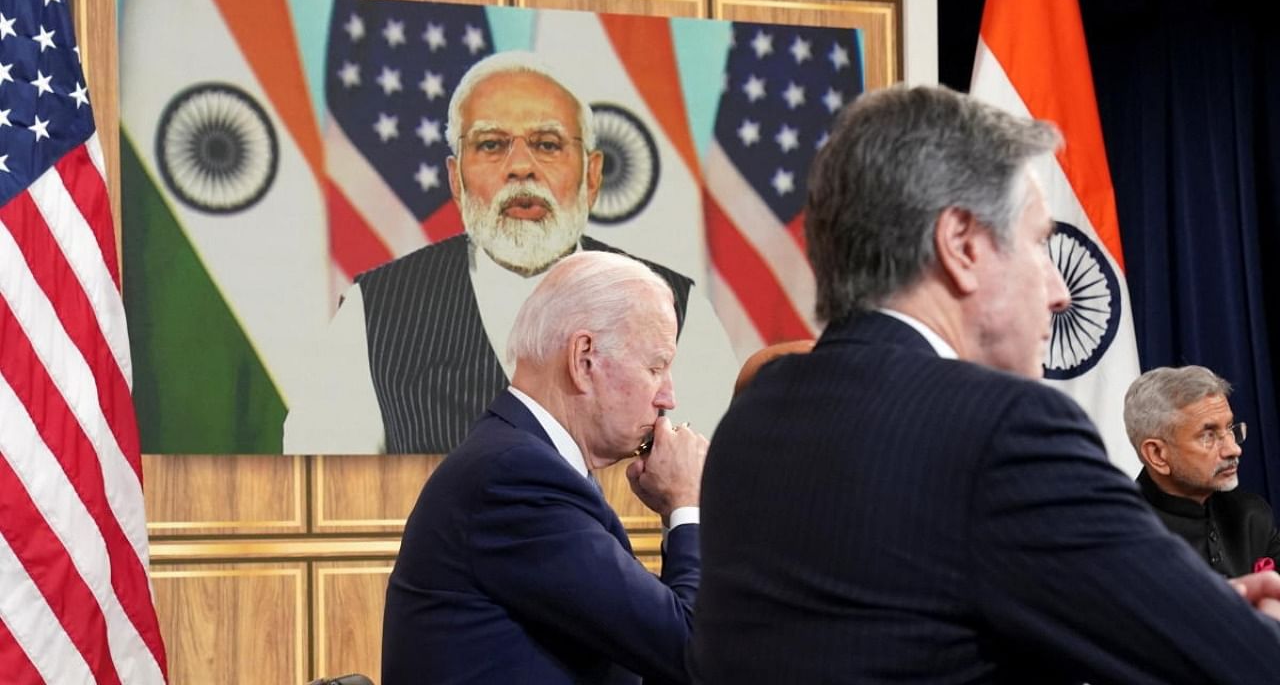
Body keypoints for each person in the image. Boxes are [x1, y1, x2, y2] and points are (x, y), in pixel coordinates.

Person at [690, 84, 1280, 684]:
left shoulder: (758, 412)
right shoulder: (1002, 428)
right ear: (962, 245)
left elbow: (900, 626)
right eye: (1037, 245)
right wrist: (1227, 627)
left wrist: (1173, 610)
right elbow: (1249, 665)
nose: (1060, 292)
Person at [283, 51, 737, 454]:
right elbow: (323, 478)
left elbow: (716, 484)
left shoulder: (679, 307)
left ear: (592, 176)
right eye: (492, 145)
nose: (521, 168)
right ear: (456, 180)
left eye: (547, 144)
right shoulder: (375, 307)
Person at [382, 251, 707, 684]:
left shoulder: (529, 465)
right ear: (584, 360)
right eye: (655, 367)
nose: (668, 398)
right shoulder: (515, 478)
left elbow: (649, 651)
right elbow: (692, 649)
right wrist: (686, 506)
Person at [1124, 365, 1280, 576]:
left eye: (1230, 429)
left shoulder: (1251, 515)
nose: (1234, 449)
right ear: (1157, 454)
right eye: (1209, 436)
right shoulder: (1120, 539)